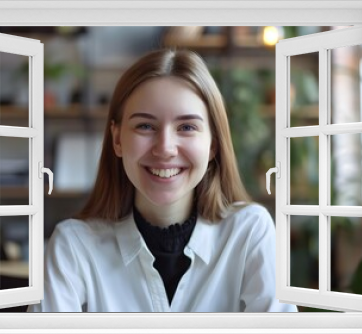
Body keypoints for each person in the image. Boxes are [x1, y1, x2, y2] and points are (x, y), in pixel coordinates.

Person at [28, 49, 297, 312]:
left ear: (213, 144)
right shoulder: (73, 246)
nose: (165, 148)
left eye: (187, 127)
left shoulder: (249, 232)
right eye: (145, 126)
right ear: (118, 139)